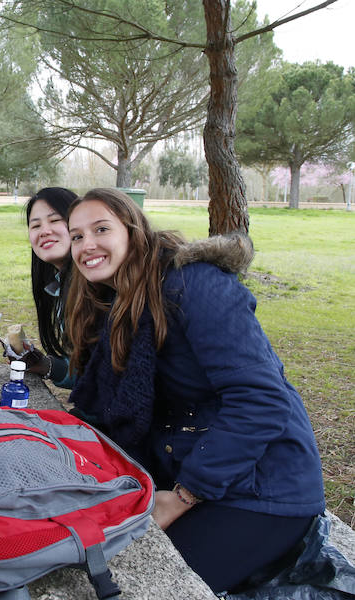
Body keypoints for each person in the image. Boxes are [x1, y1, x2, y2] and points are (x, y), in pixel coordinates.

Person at [64, 188, 325, 595]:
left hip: (262, 488)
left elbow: (261, 400)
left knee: (143, 585)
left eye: (101, 229)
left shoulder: (195, 284)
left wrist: (184, 496)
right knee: (85, 558)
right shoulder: (123, 301)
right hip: (192, 474)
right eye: (77, 236)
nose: (87, 244)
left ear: (133, 230)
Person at [18, 187, 77, 388]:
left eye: (55, 220)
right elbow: (91, 371)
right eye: (35, 226)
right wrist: (45, 365)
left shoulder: (102, 288)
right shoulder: (62, 287)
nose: (44, 231)